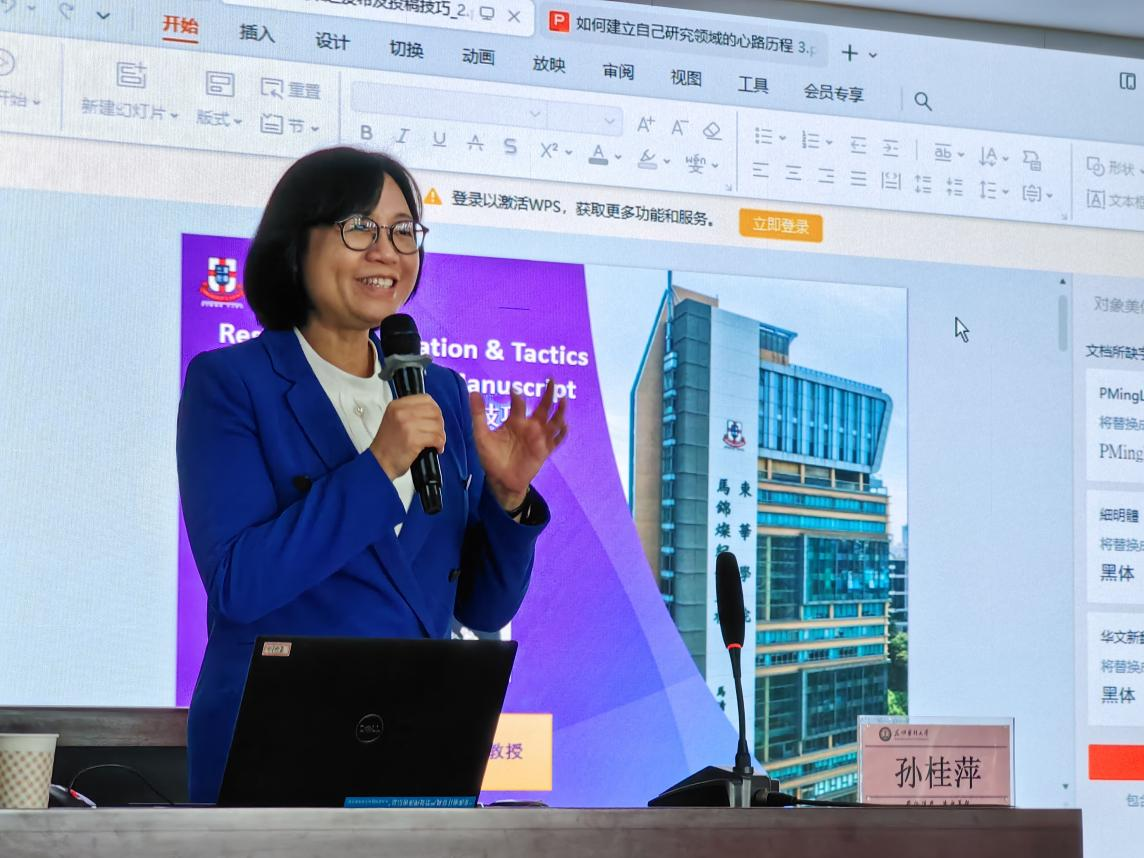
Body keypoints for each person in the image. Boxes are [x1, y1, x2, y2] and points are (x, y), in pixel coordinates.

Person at [176, 146, 567, 803]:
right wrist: (380, 467)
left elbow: (482, 607)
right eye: (360, 227)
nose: (387, 251)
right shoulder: (232, 384)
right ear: (295, 244)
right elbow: (240, 584)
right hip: (276, 747)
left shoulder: (441, 392)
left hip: (417, 743)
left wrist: (508, 501)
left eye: (403, 230)